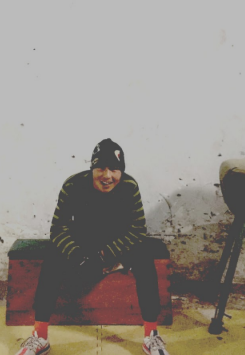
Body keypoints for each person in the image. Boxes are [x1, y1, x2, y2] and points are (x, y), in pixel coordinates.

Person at [15, 138, 170, 355]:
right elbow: (58, 229)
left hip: (116, 246)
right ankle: (39, 336)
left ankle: (151, 335)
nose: (107, 176)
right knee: (53, 255)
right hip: (83, 245)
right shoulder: (72, 185)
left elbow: (137, 231)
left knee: (144, 253)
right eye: (101, 168)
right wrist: (78, 256)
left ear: (121, 171)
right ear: (92, 168)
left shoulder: (129, 186)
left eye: (114, 169)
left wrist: (104, 256)